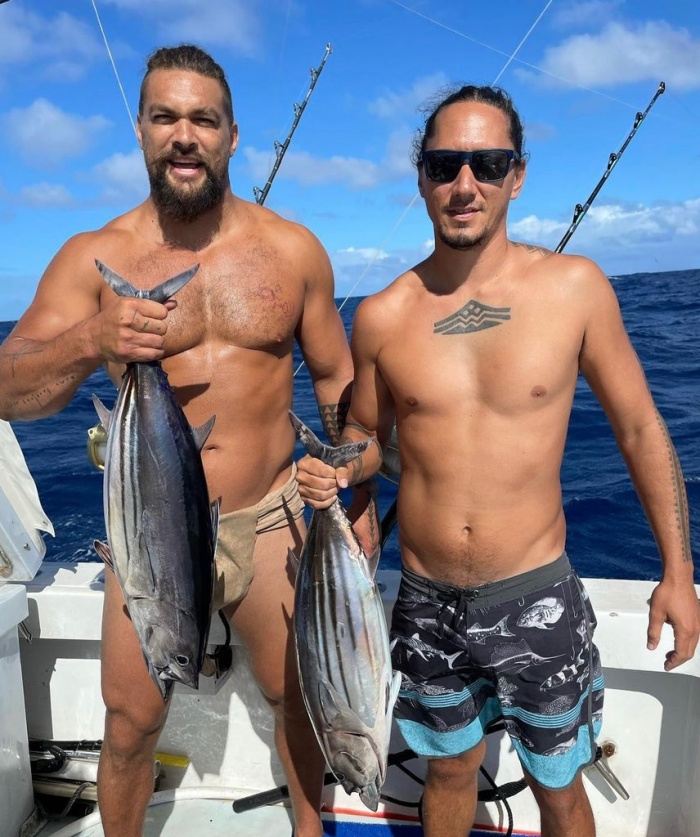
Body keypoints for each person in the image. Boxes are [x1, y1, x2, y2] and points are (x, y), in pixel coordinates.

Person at [295, 84, 700, 837]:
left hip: (536, 594)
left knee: (559, 783)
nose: (465, 184)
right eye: (444, 164)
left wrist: (677, 570)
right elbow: (367, 436)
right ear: (421, 177)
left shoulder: (575, 289)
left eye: (487, 163)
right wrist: (339, 468)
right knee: (449, 770)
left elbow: (642, 429)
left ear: (517, 175)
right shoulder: (381, 315)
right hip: (425, 602)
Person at [0, 45, 376, 837]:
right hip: (148, 526)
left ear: (232, 135)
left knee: (298, 699)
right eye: (165, 117)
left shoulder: (294, 250)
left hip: (269, 515)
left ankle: (312, 831)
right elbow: (9, 385)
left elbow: (338, 384)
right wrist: (91, 340)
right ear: (139, 129)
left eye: (203, 119)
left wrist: (357, 491)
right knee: (130, 720)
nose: (184, 135)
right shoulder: (90, 257)